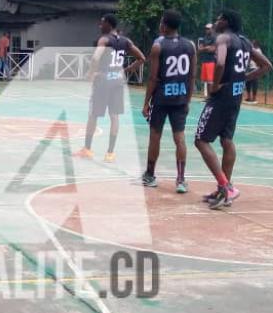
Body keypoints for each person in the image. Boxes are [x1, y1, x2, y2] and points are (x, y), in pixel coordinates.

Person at [194, 10, 272, 209]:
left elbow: (220, 62)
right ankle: (224, 190)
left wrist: (215, 85)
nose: (216, 21)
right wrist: (243, 79)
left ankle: (225, 186)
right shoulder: (245, 42)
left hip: (221, 97)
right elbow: (266, 66)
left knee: (201, 140)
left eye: (219, 18)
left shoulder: (223, 39)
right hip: (236, 96)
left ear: (225, 22)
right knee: (226, 140)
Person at [74, 14, 146, 162]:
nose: (100, 26)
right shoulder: (126, 41)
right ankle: (110, 153)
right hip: (118, 81)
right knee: (114, 116)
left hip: (103, 81)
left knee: (93, 115)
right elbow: (142, 58)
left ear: (109, 24)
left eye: (102, 23)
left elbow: (95, 58)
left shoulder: (104, 40)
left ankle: (87, 149)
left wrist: (91, 73)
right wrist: (127, 70)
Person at [139, 10, 196, 193]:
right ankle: (180, 180)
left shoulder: (158, 46)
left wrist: (146, 102)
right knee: (179, 138)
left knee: (155, 135)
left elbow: (153, 78)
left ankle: (150, 175)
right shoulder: (190, 45)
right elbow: (192, 76)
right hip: (180, 97)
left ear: (164, 25)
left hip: (162, 97)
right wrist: (187, 100)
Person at [198, 24, 217, 98]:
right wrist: (207, 48)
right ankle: (208, 97)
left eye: (208, 29)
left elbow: (212, 49)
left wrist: (204, 48)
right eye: (206, 29)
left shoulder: (215, 38)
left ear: (212, 29)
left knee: (210, 81)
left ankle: (211, 97)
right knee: (205, 80)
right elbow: (200, 49)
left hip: (211, 61)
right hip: (204, 61)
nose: (207, 30)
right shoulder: (204, 38)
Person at [245, 40, 261, 104]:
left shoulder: (258, 51)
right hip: (249, 68)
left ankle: (254, 98)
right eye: (252, 43)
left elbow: (260, 60)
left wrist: (258, 66)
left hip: (255, 69)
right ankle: (249, 97)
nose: (252, 44)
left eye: (253, 43)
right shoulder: (250, 50)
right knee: (248, 83)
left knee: (254, 83)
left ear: (256, 44)